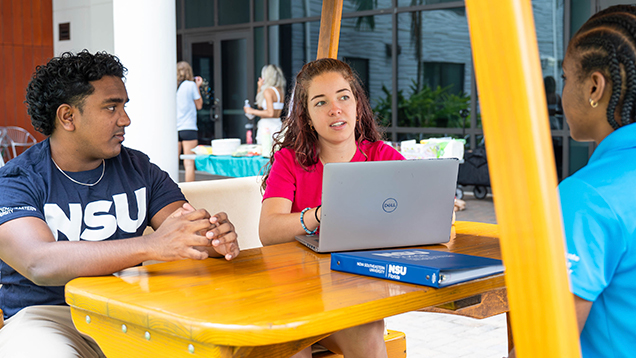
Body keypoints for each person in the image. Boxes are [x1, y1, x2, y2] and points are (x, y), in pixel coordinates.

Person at [0, 51, 239, 357]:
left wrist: (215, 240)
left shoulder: (138, 168)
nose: (125, 119)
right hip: (47, 318)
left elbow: (189, 234)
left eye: (124, 106)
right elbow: (39, 262)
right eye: (111, 107)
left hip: (132, 310)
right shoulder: (17, 179)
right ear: (68, 117)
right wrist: (151, 245)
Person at [510, 5, 636, 357]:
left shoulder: (588, 196)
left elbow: (544, 346)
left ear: (595, 86)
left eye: (565, 78)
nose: (560, 94)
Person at [259, 58, 404, 358]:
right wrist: (321, 213)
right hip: (294, 297)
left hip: (356, 293)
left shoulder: (382, 157)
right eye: (320, 102)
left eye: (343, 97)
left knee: (369, 332)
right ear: (308, 117)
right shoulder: (291, 160)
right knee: (288, 344)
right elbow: (268, 231)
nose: (335, 109)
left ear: (357, 106)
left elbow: (414, 215)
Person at [243, 64, 286, 156]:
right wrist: (259, 88)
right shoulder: (279, 90)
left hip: (267, 126)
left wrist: (251, 111)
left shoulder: (268, 91)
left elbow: (270, 113)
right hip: (277, 124)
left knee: (265, 153)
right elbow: (261, 106)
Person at [176, 61, 203, 182]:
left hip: (174, 128)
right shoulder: (190, 85)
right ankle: (189, 193)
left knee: (172, 162)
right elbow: (199, 105)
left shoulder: (172, 85)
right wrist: (197, 86)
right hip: (188, 127)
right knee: (189, 163)